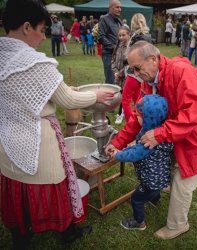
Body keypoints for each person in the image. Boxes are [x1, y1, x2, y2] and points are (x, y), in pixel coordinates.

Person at [0, 0, 115, 249]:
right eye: (42, 30)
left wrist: (59, 90)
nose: (43, 37)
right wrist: (96, 96)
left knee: (18, 187)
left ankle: (21, 235)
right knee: (55, 182)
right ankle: (67, 232)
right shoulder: (36, 63)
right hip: (37, 140)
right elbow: (68, 99)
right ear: (27, 27)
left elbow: (32, 92)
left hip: (7, 139)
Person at [105, 41, 197, 240]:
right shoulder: (148, 81)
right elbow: (138, 118)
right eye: (132, 70)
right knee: (173, 169)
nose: (136, 73)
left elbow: (192, 115)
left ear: (153, 60)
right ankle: (165, 187)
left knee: (183, 183)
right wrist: (117, 143)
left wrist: (159, 134)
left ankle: (177, 225)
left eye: (137, 68)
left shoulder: (182, 72)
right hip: (177, 136)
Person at [111, 95, 173, 230]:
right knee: (154, 189)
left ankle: (139, 222)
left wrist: (118, 154)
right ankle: (154, 199)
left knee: (136, 199)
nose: (136, 116)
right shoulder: (160, 133)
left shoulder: (148, 141)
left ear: (148, 118)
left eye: (139, 115)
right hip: (160, 177)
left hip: (150, 181)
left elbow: (133, 154)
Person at [121, 13, 152, 123]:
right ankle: (139, 120)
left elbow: (134, 57)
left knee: (125, 100)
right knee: (137, 99)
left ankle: (131, 124)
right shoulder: (147, 36)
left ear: (133, 23)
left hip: (134, 73)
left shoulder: (137, 37)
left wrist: (125, 61)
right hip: (141, 73)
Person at [98, 0, 122, 84]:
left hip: (118, 55)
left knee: (118, 79)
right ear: (111, 8)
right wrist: (114, 48)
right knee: (110, 80)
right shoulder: (104, 18)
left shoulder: (119, 21)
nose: (120, 9)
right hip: (108, 54)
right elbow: (101, 36)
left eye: (120, 7)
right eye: (117, 7)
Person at [111, 26, 131, 124]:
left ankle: (120, 114)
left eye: (123, 35)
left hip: (126, 77)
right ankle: (121, 112)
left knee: (124, 96)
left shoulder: (130, 48)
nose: (121, 37)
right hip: (117, 76)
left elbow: (129, 64)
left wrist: (120, 73)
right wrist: (115, 71)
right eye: (119, 35)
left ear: (129, 35)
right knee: (119, 94)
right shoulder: (118, 46)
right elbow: (113, 60)